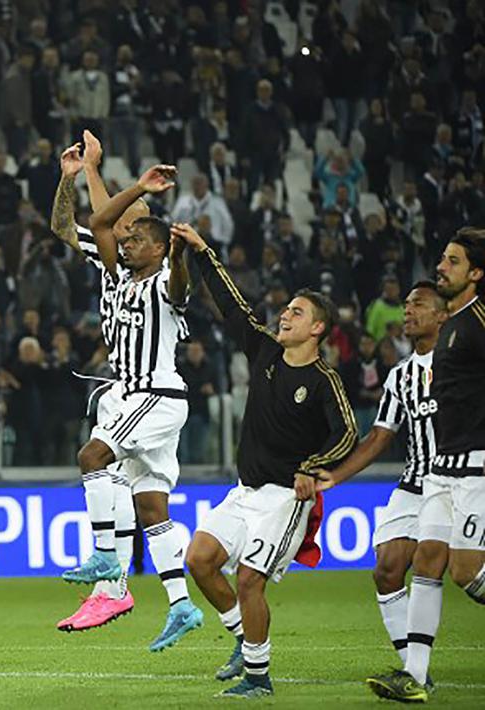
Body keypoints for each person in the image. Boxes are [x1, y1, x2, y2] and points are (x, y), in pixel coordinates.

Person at [178, 222, 356, 698]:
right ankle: (243, 641)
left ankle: (258, 677)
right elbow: (231, 303)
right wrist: (201, 251)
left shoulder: (323, 381)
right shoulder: (264, 352)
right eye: (286, 310)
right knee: (199, 559)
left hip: (284, 498)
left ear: (317, 328)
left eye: (297, 313)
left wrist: (311, 467)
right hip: (244, 492)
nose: (285, 316)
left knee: (251, 580)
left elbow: (347, 435)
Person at [54, 141, 199, 652]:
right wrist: (84, 170)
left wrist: (139, 189)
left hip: (154, 394)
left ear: (158, 246)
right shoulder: (114, 272)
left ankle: (107, 562)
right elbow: (84, 225)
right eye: (125, 231)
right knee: (151, 506)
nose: (126, 235)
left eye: (136, 231)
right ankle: (181, 604)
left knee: (92, 456)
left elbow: (178, 282)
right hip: (129, 395)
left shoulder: (166, 278)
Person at [364, 231, 485, 702]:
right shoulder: (453, 324)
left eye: (453, 262)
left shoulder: (477, 319)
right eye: (443, 259)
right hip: (439, 470)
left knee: (464, 571)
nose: (442, 267)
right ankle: (414, 675)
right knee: (427, 565)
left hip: (475, 465)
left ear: (476, 273)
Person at [310, 282, 445, 683]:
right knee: (386, 570)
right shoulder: (399, 377)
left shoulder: (463, 364)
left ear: (442, 315)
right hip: (413, 483)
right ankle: (413, 670)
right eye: (405, 306)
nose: (407, 311)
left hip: (459, 481)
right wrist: (335, 475)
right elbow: (378, 438)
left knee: (465, 574)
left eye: (418, 304)